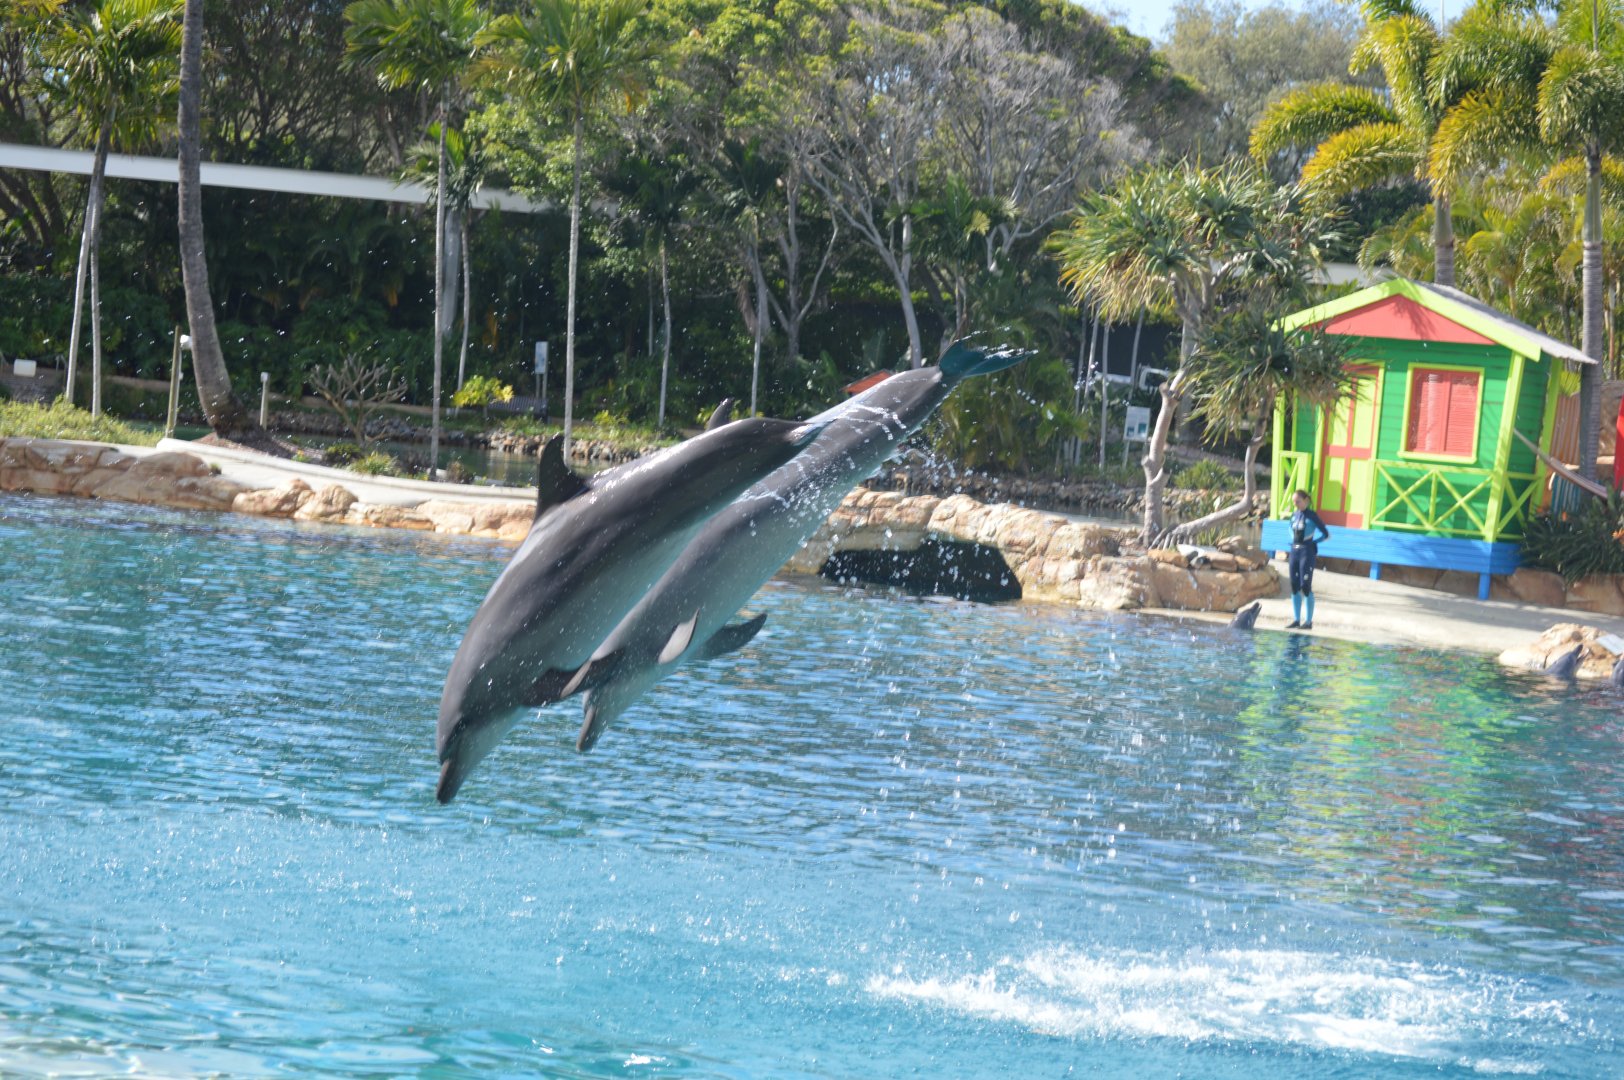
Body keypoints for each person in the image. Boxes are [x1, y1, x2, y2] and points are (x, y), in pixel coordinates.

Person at [1286, 489, 1329, 630]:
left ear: (1306, 501)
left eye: (1298, 501)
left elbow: (1326, 534)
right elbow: (1289, 529)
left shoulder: (1312, 516)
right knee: (1294, 585)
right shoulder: (1294, 515)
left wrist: (1314, 542)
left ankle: (1309, 622)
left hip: (1307, 552)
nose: (1295, 504)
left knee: (1305, 586)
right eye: (1294, 502)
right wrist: (1292, 541)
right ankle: (1297, 619)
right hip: (1294, 552)